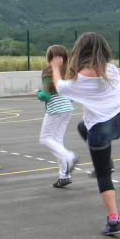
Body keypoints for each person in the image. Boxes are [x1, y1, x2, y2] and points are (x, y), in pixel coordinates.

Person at [50, 32, 120, 236]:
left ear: (81, 51)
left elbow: (61, 88)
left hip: (101, 130)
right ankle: (107, 162)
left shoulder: (84, 77)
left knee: (103, 175)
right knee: (82, 127)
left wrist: (56, 67)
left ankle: (114, 221)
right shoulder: (112, 69)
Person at [34, 45, 78, 188]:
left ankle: (70, 156)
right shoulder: (69, 70)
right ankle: (64, 175)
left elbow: (46, 95)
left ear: (49, 57)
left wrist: (37, 92)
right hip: (67, 107)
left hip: (55, 108)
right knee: (58, 141)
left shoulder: (48, 70)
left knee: (45, 138)